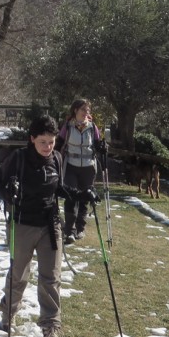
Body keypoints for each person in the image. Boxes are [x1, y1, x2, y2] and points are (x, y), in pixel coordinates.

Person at [0, 114, 98, 337]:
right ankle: (8, 313)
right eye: (43, 141)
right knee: (19, 273)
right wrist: (9, 190)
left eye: (52, 141)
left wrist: (81, 194)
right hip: (22, 224)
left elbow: (59, 188)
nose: (48, 147)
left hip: (50, 225)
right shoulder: (18, 159)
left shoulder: (57, 158)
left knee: (51, 278)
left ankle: (50, 331)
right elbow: (1, 184)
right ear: (32, 139)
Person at [57, 99, 102, 244]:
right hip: (71, 165)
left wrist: (102, 146)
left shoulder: (92, 127)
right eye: (83, 109)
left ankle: (80, 228)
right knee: (71, 196)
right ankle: (69, 231)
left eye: (87, 110)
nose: (86, 113)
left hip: (88, 167)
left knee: (85, 197)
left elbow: (98, 143)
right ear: (75, 110)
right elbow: (59, 142)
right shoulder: (68, 126)